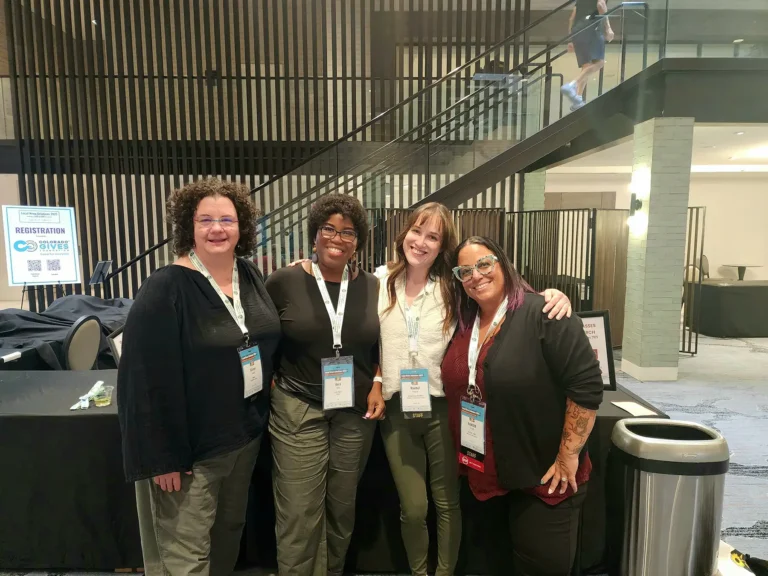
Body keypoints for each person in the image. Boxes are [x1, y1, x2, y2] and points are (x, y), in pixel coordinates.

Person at [376, 204, 574, 576]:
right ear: (404, 234)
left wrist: (551, 295)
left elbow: (504, 297)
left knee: (449, 503)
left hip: (442, 409)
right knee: (414, 507)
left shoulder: (453, 286)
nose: (421, 242)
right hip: (398, 408)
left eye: (433, 237)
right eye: (417, 231)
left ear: (441, 247)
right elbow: (364, 339)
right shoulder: (380, 281)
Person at [117, 178, 281, 576]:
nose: (217, 229)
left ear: (242, 226)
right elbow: (141, 381)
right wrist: (162, 458)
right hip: (191, 453)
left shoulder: (248, 274)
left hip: (244, 438)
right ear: (187, 228)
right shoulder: (165, 288)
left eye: (227, 219)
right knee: (186, 555)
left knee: (228, 535)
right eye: (205, 220)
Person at [441, 236, 603, 576]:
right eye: (465, 270)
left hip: (542, 477)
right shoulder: (465, 321)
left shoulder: (545, 313)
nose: (476, 275)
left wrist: (568, 455)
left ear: (503, 263)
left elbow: (586, 387)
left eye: (484, 264)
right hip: (484, 477)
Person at [265, 193, 386, 576]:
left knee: (341, 507)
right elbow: (262, 336)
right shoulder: (284, 281)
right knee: (299, 513)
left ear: (358, 241)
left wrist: (379, 379)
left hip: (355, 413)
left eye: (348, 232)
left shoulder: (373, 286)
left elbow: (385, 342)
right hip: (299, 407)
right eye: (328, 229)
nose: (337, 238)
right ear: (314, 235)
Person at [561, 0, 615, 110]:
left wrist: (571, 39)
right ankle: (572, 85)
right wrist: (608, 28)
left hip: (577, 30)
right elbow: (601, 5)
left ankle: (578, 98)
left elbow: (571, 18)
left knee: (586, 66)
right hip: (592, 28)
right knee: (599, 62)